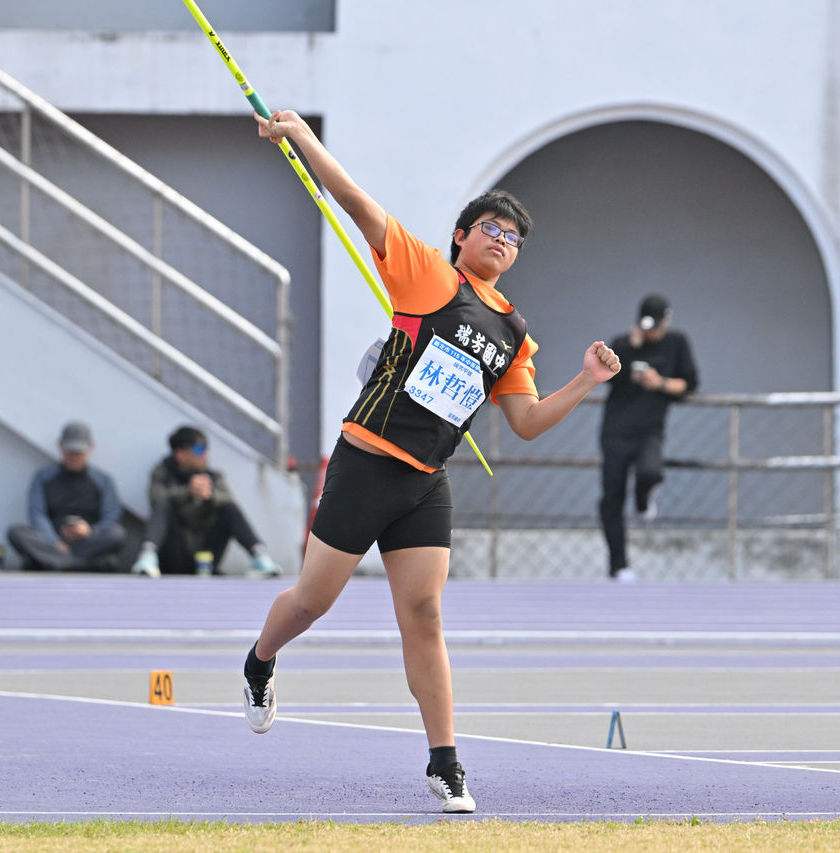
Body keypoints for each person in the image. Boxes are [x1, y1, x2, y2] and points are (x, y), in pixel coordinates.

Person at [242, 108, 621, 815]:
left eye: (512, 238)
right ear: (462, 235)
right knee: (312, 602)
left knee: (425, 615)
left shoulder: (514, 333)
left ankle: (446, 763)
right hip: (365, 466)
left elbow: (527, 423)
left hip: (425, 482)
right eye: (491, 229)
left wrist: (585, 380)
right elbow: (355, 201)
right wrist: (303, 137)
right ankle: (260, 659)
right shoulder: (427, 275)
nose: (501, 241)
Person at [599, 294, 699, 583]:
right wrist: (630, 349)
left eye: (655, 327)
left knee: (651, 472)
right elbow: (607, 378)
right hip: (616, 430)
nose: (651, 332)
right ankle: (618, 566)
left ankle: (643, 501)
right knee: (612, 497)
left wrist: (659, 383)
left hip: (649, 431)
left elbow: (690, 383)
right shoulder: (622, 344)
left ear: (667, 321)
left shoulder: (677, 343)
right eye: (646, 327)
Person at [130, 426, 277, 578]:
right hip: (174, 554)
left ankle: (260, 556)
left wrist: (210, 495)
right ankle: (147, 556)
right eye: (199, 449)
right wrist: (187, 492)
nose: (205, 454)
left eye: (206, 449)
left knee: (228, 507)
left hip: (206, 555)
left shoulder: (214, 477)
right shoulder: (163, 474)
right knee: (164, 503)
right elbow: (156, 499)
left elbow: (229, 502)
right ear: (180, 454)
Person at [6, 422, 127, 572]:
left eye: (79, 452)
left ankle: (55, 563)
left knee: (116, 534)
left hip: (86, 542)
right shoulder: (43, 477)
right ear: (60, 446)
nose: (74, 456)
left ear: (91, 447)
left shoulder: (103, 480)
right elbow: (37, 514)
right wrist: (54, 541)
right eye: (70, 451)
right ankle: (78, 564)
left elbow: (111, 516)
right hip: (52, 541)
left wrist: (89, 531)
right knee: (16, 532)